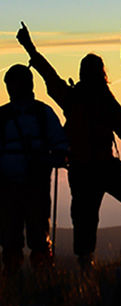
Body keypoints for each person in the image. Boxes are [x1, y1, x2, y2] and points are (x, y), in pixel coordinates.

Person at [17, 24, 121, 266]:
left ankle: (86, 262)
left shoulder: (72, 97)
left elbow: (49, 75)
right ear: (101, 73)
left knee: (84, 218)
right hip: (105, 164)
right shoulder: (104, 97)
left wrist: (30, 48)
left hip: (80, 168)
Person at [0, 64, 67, 273]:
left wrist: (58, 153)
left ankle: (16, 283)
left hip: (16, 183)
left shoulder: (5, 115)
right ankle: (42, 278)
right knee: (28, 236)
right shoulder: (42, 112)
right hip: (31, 181)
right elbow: (59, 142)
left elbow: (59, 143)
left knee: (16, 237)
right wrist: (57, 156)